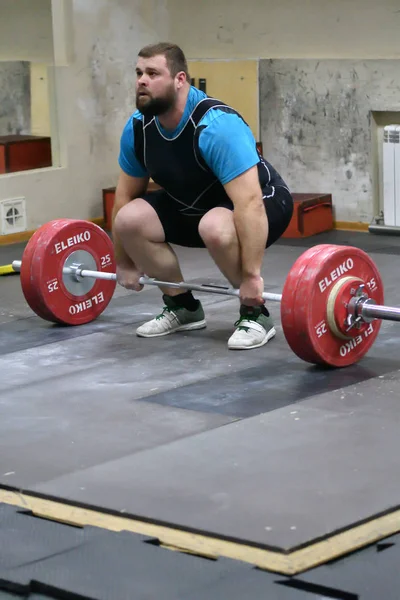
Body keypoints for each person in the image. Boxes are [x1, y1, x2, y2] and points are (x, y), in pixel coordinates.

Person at [112, 42, 293, 350]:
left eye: (153, 73)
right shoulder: (139, 129)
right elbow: (124, 198)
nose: (142, 80)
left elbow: (248, 203)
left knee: (214, 226)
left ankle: (255, 313)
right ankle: (182, 307)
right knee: (129, 220)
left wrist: (250, 276)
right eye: (139, 73)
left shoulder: (216, 126)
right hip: (194, 207)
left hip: (263, 202)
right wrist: (124, 260)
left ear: (180, 79)